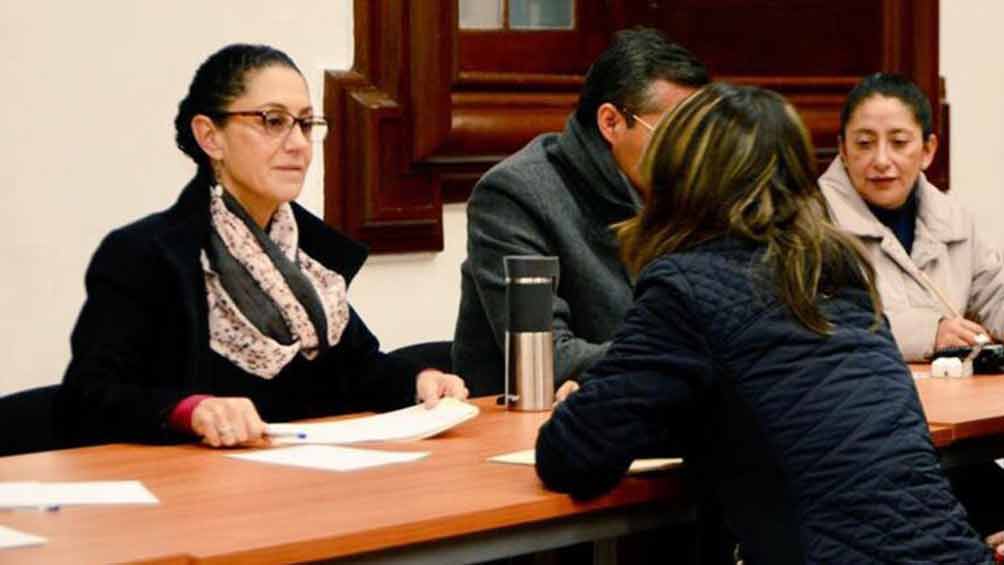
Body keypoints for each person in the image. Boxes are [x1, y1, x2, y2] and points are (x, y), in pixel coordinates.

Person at [535, 83, 990, 563]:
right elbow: (767, 410)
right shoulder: (837, 270)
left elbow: (572, 457)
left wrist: (592, 403)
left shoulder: (687, 286)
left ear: (676, 176)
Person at [56, 44, 467, 449]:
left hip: (306, 475)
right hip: (191, 483)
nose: (299, 144)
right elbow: (90, 395)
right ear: (210, 137)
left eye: (306, 124)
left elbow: (357, 371)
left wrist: (419, 382)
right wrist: (190, 411)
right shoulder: (146, 254)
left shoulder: (308, 253)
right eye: (273, 121)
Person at [452, 28, 709, 396]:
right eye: (677, 132)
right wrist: (686, 358)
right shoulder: (516, 194)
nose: (692, 152)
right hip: (533, 420)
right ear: (611, 122)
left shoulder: (690, 191)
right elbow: (548, 357)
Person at [820, 73, 1004, 362]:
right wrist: (929, 333)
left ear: (927, 151)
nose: (881, 160)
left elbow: (994, 292)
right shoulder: (810, 224)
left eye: (899, 142)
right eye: (865, 144)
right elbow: (820, 322)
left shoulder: (954, 221)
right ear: (843, 150)